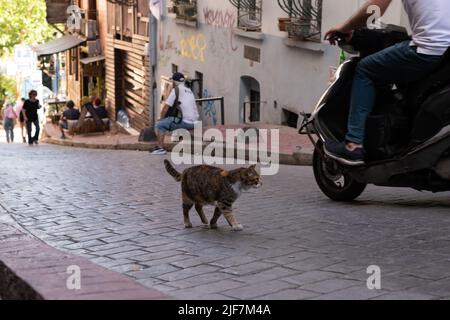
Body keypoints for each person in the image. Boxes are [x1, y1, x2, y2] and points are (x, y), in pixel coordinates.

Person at [324, 0, 450, 166]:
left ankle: (353, 145)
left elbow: (374, 9)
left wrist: (345, 28)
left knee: (364, 70)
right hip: (446, 52)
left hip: (429, 49)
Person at [151, 72, 200, 155]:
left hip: (187, 123)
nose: (172, 83)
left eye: (173, 81)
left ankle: (160, 148)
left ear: (175, 82)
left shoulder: (176, 90)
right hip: (195, 122)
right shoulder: (189, 91)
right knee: (168, 122)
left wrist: (161, 119)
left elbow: (165, 107)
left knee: (160, 125)